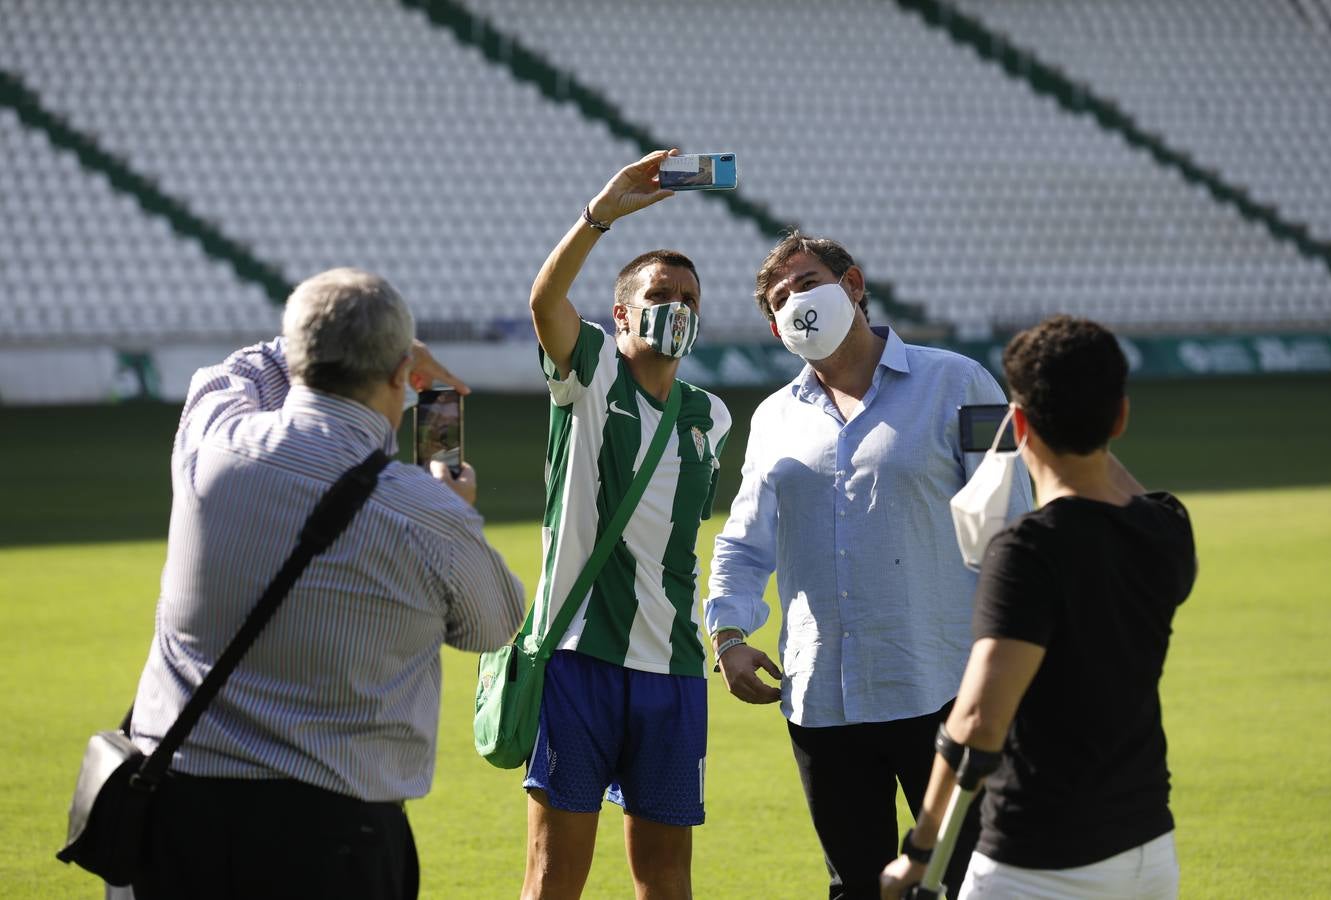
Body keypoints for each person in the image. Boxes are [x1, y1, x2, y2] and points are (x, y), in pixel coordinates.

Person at [129, 268, 526, 900]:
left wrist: (306, 342)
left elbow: (227, 373)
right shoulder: (426, 513)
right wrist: (459, 509)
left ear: (298, 358)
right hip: (332, 833)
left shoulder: (212, 444)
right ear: (400, 374)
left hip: (176, 814)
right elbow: (498, 626)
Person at [705, 233, 1033, 899]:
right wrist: (730, 635)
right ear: (773, 327)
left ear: (852, 284)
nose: (796, 300)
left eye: (807, 281)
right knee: (856, 886)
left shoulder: (960, 381)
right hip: (822, 698)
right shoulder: (772, 418)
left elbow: (1011, 526)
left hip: (942, 685)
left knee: (974, 881)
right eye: (780, 298)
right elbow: (744, 539)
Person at [880, 315, 1197, 900]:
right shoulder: (1168, 528)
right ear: (1121, 417)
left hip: (1037, 859)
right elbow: (1126, 494)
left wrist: (919, 853)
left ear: (1019, 424)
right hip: (1149, 846)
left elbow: (977, 721)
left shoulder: (1028, 550)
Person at [520, 150, 732, 900]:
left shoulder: (712, 415)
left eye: (689, 298)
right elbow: (546, 301)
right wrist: (599, 214)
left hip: (673, 669)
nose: (678, 307)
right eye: (661, 293)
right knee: (555, 874)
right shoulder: (589, 373)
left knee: (668, 877)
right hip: (582, 657)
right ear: (621, 312)